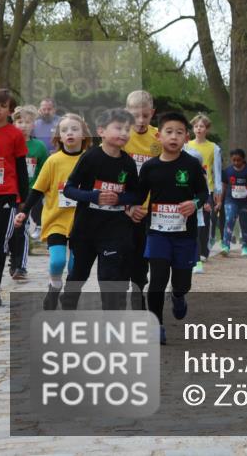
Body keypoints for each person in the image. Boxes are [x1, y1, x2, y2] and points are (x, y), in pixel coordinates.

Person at [129, 112, 208, 345]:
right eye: (169, 132)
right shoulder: (150, 168)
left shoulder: (192, 165)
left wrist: (194, 204)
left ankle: (178, 295)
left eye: (180, 133)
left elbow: (203, 193)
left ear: (186, 137)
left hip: (185, 234)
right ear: (159, 135)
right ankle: (157, 325)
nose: (174, 137)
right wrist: (132, 207)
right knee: (157, 279)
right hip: (156, 233)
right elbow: (139, 196)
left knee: (182, 282)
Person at [60, 108, 139, 311]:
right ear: (101, 131)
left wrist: (119, 198)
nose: (124, 133)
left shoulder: (128, 163)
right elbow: (68, 189)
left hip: (115, 231)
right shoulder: (90, 158)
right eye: (118, 128)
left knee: (109, 278)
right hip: (85, 229)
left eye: (127, 129)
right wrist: (93, 196)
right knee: (79, 274)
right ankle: (67, 305)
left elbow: (135, 194)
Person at [13, 113, 91, 309]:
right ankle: (54, 285)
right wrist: (24, 210)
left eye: (74, 129)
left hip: (82, 222)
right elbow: (38, 189)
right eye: (64, 130)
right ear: (59, 137)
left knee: (75, 266)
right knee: (57, 261)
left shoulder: (90, 160)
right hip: (56, 219)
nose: (69, 133)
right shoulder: (53, 161)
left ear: (84, 135)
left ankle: (69, 296)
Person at [0, 89, 28, 309]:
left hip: (5, 194)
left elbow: (22, 169)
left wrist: (22, 200)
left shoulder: (14, 134)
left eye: (3, 106)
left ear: (10, 111)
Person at [124, 90, 160, 309]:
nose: (140, 121)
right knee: (126, 252)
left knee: (144, 254)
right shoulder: (120, 134)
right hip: (125, 207)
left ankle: (139, 290)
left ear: (152, 114)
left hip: (152, 208)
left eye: (145, 116)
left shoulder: (158, 137)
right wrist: (127, 205)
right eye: (135, 115)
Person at [9, 105, 49, 281]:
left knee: (21, 230)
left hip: (29, 194)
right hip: (8, 192)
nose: (23, 125)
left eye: (27, 122)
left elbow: (44, 171)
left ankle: (20, 266)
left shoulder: (38, 147)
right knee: (6, 230)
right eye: (19, 121)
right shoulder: (9, 143)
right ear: (14, 122)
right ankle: (12, 260)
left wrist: (37, 192)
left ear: (33, 124)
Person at [185, 113, 223, 270]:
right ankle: (193, 251)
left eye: (201, 126)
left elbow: (217, 170)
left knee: (205, 222)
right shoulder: (187, 146)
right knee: (191, 219)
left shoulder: (213, 148)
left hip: (207, 188)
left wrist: (217, 192)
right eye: (196, 126)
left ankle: (203, 251)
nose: (198, 129)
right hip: (188, 187)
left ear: (206, 129)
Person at [222, 149, 247, 256]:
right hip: (230, 200)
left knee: (244, 223)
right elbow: (223, 186)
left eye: (239, 160)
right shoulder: (227, 171)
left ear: (243, 160)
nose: (236, 162)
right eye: (234, 160)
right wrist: (220, 201)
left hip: (245, 202)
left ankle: (245, 246)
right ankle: (226, 246)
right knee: (229, 220)